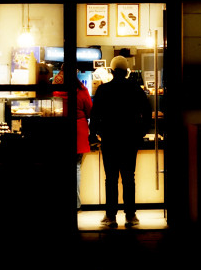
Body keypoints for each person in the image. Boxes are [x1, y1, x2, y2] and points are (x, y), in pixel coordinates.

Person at [90, 55, 152, 227]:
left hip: (110, 138)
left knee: (110, 178)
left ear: (111, 71)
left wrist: (94, 134)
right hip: (130, 139)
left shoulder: (103, 90)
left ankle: (110, 216)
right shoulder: (136, 89)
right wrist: (141, 131)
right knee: (128, 177)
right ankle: (130, 216)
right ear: (126, 72)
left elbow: (94, 115)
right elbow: (148, 112)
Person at [53, 68, 93, 210]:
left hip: (59, 131)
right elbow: (90, 111)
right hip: (78, 132)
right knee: (75, 168)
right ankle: (75, 204)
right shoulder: (81, 90)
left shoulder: (55, 90)